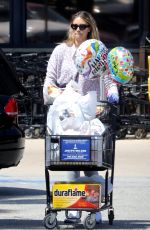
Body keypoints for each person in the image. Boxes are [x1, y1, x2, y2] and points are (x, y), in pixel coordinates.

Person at [43, 11, 119, 224]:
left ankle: (94, 207)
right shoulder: (61, 51)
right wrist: (58, 95)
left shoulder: (98, 53)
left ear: (90, 28)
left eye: (82, 26)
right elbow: (49, 81)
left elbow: (108, 79)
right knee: (68, 160)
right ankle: (74, 207)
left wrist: (112, 94)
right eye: (74, 26)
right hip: (68, 115)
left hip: (92, 114)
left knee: (90, 164)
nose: (77, 30)